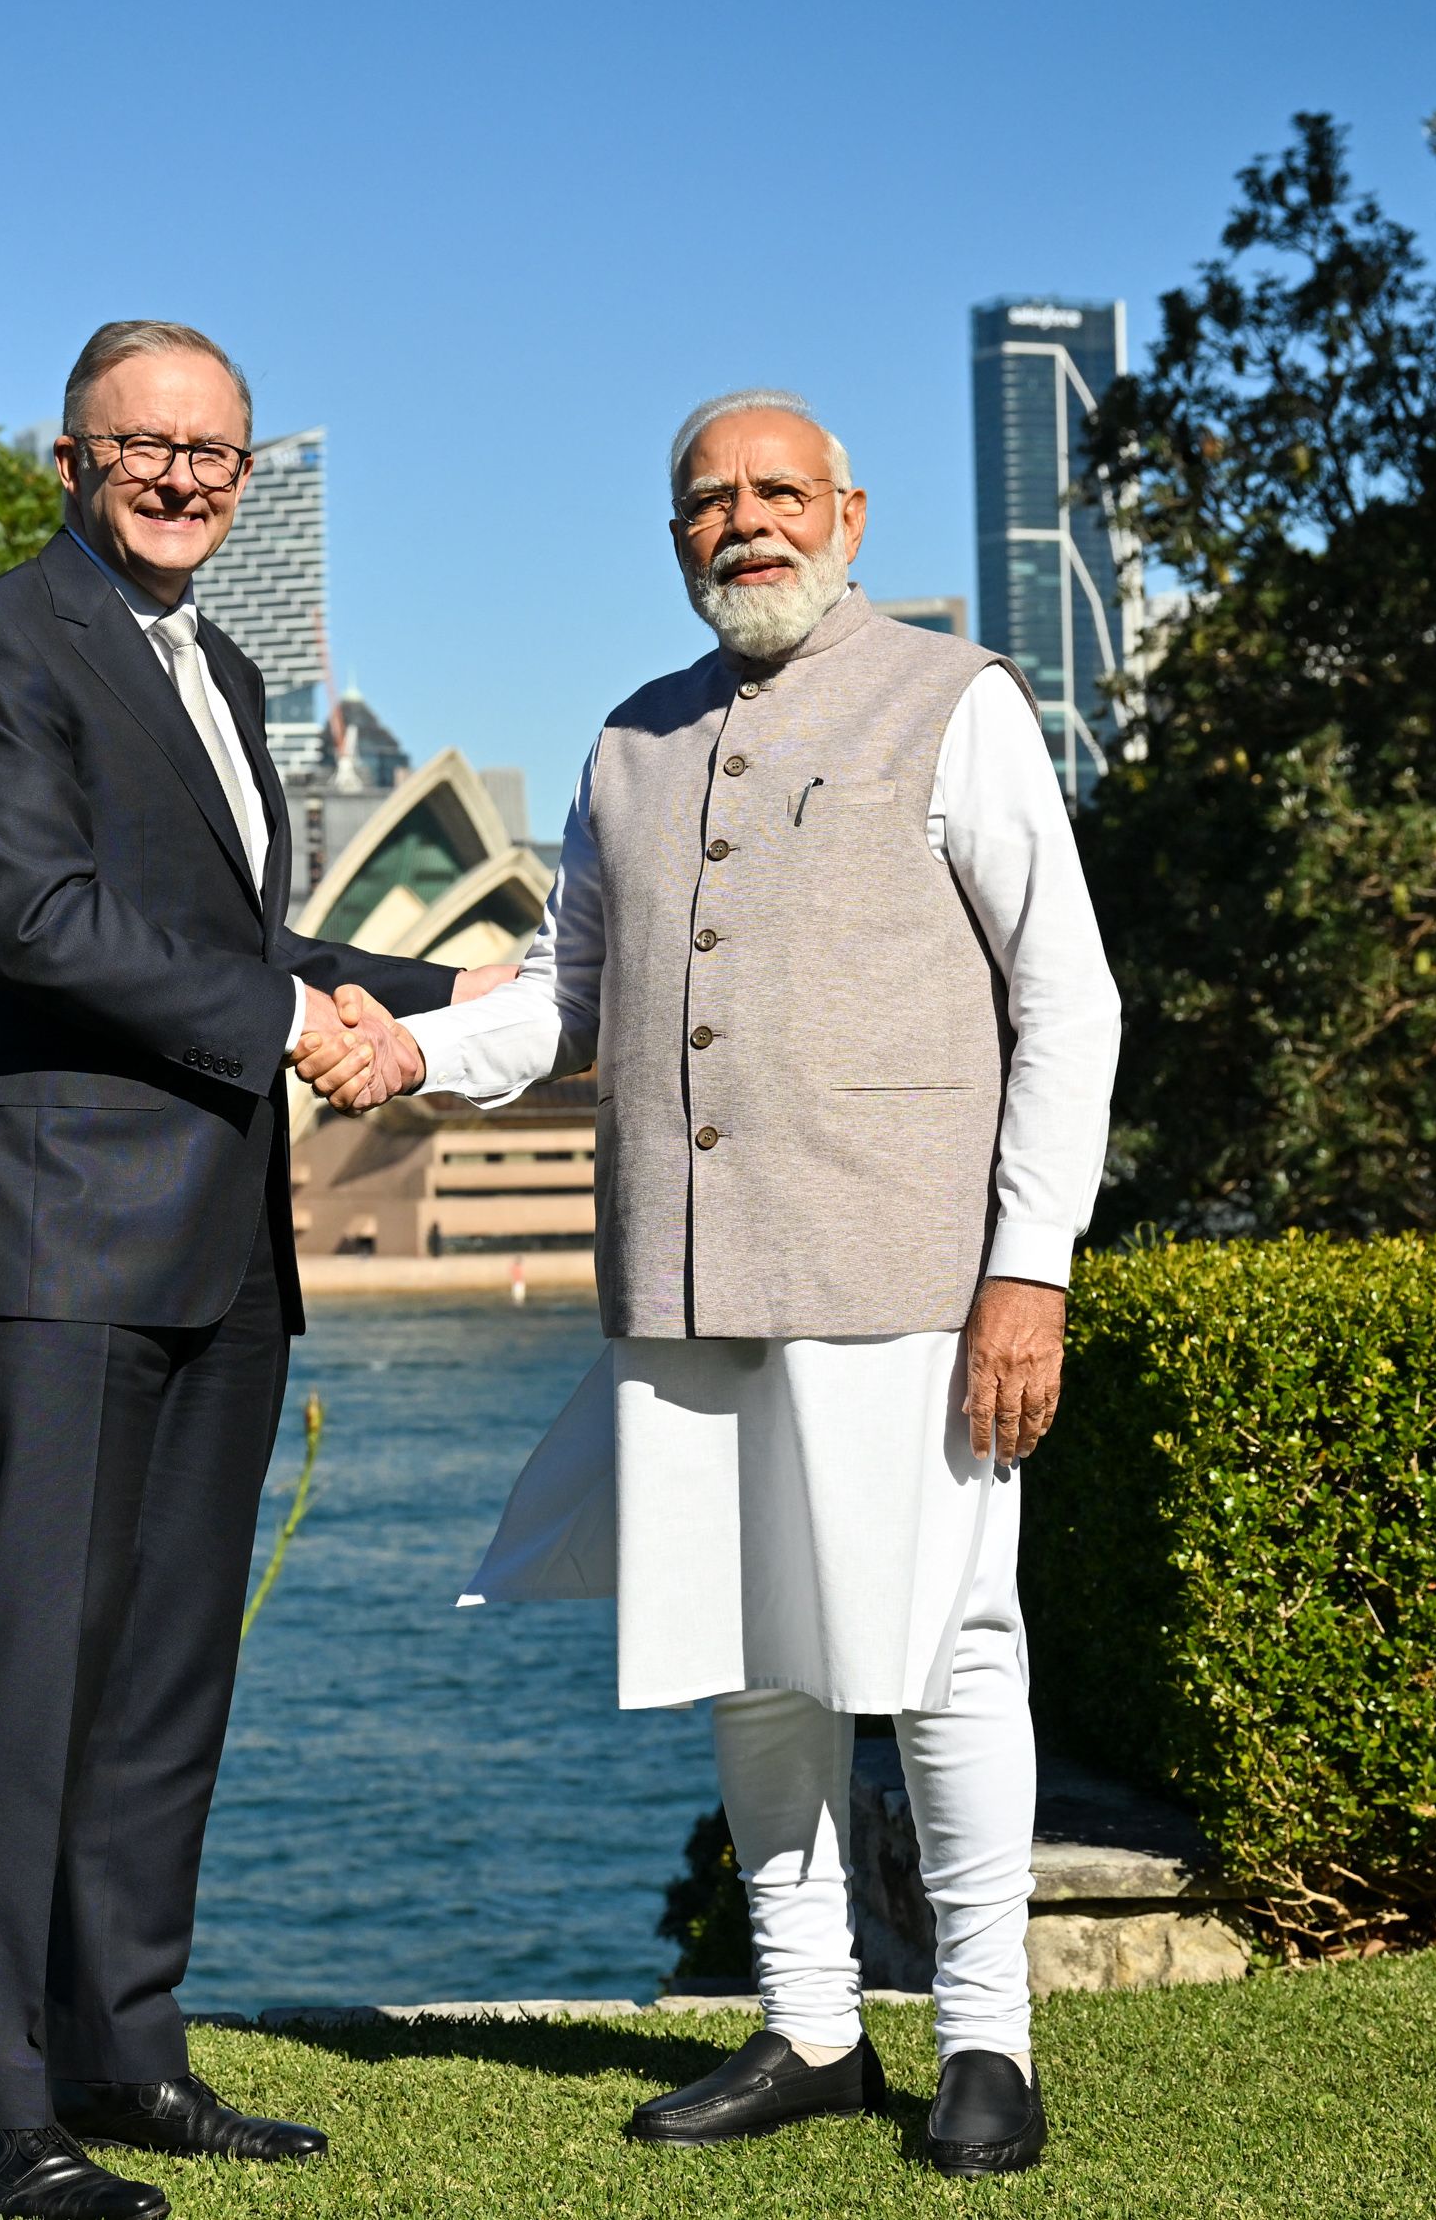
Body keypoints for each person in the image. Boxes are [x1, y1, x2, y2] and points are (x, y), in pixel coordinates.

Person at [321, 388, 1120, 2178]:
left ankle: (986, 2037)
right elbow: (564, 998)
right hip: (681, 1281)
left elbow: (1071, 998)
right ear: (674, 533)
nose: (743, 521)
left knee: (948, 1655)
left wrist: (1029, 1271)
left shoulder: (960, 701)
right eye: (707, 500)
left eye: (776, 492)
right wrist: (412, 1061)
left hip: (909, 1271)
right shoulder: (624, 744)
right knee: (749, 1667)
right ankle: (813, 2025)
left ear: (845, 510)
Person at [0, 320, 463, 2218]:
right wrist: (303, 1024)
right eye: (146, 447)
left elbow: (236, 927)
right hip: (58, 1237)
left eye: (216, 454)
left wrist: (449, 997)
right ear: (70, 458)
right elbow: (41, 920)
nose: (184, 478)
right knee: (33, 1666)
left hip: (223, 1245)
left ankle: (126, 2055)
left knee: (162, 1678)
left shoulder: (218, 664)